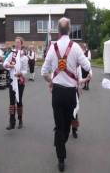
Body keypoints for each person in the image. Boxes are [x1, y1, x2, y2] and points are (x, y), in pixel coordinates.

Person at [41, 17, 91, 172]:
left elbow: (43, 72)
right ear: (69, 30)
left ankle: (60, 157)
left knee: (58, 124)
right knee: (67, 124)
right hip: (70, 93)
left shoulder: (52, 47)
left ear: (58, 31)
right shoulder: (75, 47)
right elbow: (87, 66)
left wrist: (51, 81)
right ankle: (61, 146)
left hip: (57, 91)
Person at [3, 37, 28, 130]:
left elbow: (25, 70)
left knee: (19, 101)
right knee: (11, 102)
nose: (17, 44)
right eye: (16, 42)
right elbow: (4, 63)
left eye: (18, 43)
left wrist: (21, 73)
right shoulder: (12, 54)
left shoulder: (24, 57)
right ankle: (11, 122)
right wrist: (8, 65)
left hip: (20, 81)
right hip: (12, 81)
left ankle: (20, 120)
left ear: (21, 44)